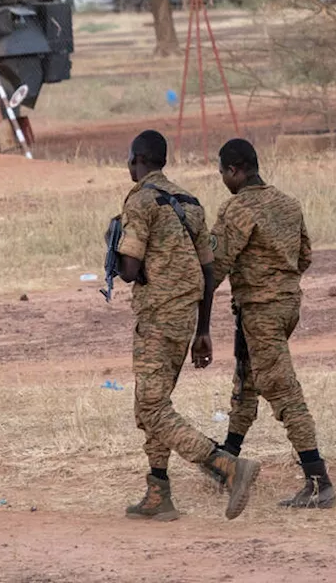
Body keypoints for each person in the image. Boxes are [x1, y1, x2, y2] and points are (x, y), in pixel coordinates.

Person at [116, 130, 261, 521]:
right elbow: (208, 269)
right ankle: (157, 491)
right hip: (184, 318)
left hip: (158, 317)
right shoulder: (189, 202)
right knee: (151, 403)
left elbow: (129, 269)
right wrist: (203, 329)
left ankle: (224, 466)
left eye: (129, 159)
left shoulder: (141, 200)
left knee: (151, 405)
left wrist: (114, 253)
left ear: (138, 160)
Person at [206, 138, 335, 509]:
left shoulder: (236, 209)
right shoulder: (288, 204)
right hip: (287, 306)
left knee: (281, 390)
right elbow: (305, 255)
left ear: (234, 170)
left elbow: (218, 266)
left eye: (222, 173)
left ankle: (318, 480)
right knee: (248, 379)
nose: (222, 180)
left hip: (259, 311)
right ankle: (227, 458)